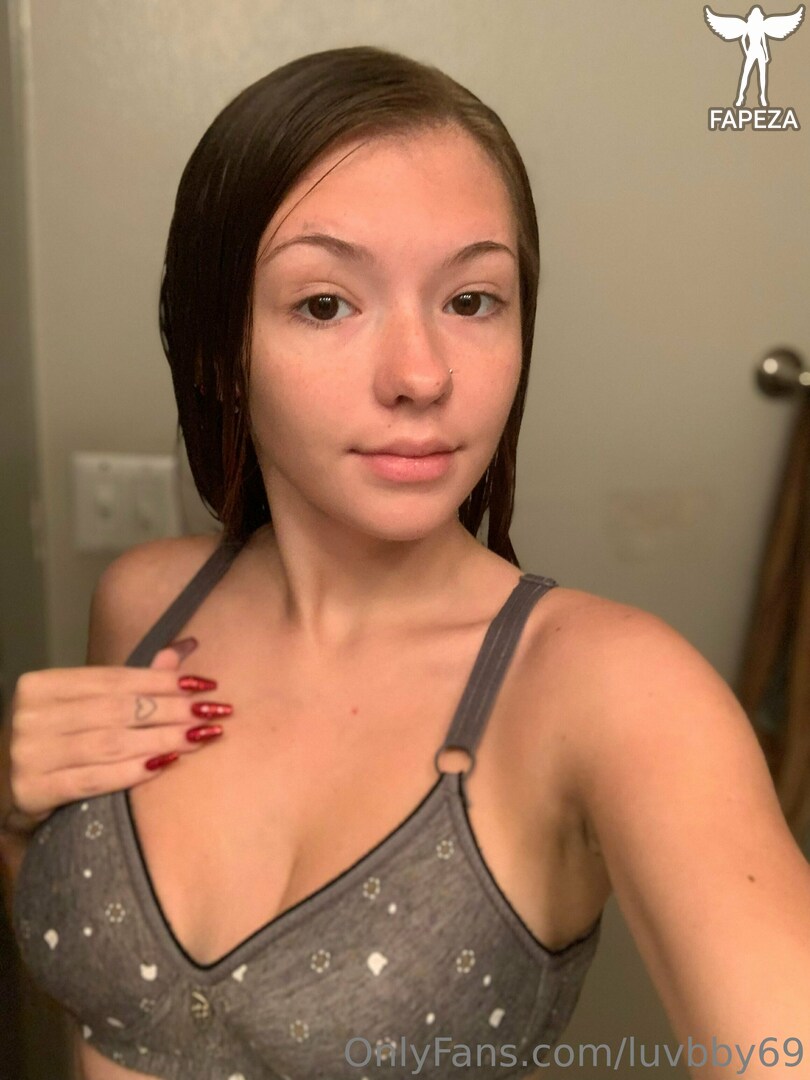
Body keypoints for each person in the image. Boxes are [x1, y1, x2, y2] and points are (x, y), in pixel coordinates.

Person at [1, 43, 809, 1080]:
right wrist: (26, 828)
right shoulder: (146, 606)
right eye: (326, 303)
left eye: (471, 301)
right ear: (218, 352)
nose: (422, 375)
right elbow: (119, 994)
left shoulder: (613, 692)